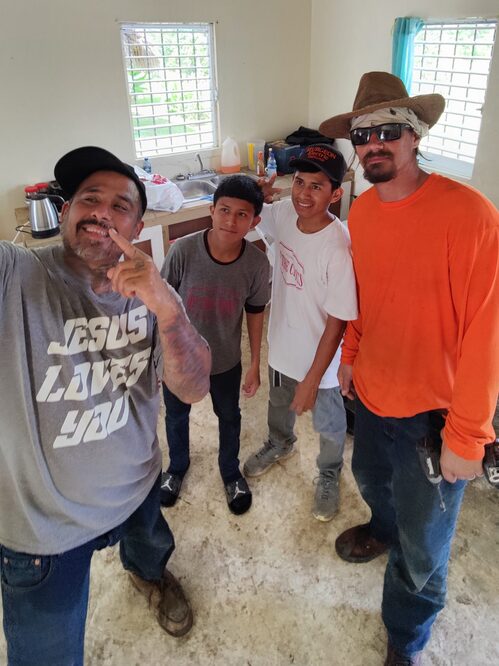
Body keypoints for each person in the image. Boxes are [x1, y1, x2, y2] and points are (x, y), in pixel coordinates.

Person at [0, 146, 211, 665]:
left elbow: (193, 388)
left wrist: (168, 309)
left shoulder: (155, 295)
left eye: (120, 206)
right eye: (89, 199)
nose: (101, 213)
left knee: (150, 552)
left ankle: (150, 575)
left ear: (138, 226)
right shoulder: (15, 274)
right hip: (44, 529)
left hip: (138, 487)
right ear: (65, 213)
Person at [318, 71, 499, 665]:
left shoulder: (470, 216)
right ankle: (381, 527)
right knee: (374, 482)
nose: (373, 144)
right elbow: (364, 298)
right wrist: (350, 357)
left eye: (388, 131)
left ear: (415, 136)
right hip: (373, 396)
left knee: (424, 545)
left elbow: (486, 335)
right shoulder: (364, 213)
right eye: (361, 134)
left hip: (433, 416)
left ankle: (405, 637)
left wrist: (467, 436)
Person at [243, 144, 358, 521]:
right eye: (299, 182)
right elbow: (255, 216)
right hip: (282, 343)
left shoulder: (338, 247)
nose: (303, 194)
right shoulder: (283, 213)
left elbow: (338, 321)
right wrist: (258, 196)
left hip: (320, 359)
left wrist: (312, 379)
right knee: (278, 402)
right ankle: (280, 442)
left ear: (335, 194)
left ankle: (329, 473)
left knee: (329, 421)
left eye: (316, 186)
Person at [160, 175, 270, 515]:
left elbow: (255, 312)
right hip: (180, 359)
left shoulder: (256, 264)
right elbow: (161, 305)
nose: (231, 221)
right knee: (176, 415)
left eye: (242, 214)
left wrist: (254, 363)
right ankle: (176, 467)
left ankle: (230, 472)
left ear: (255, 221)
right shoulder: (182, 251)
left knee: (229, 416)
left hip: (225, 361)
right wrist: (158, 357)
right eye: (224, 210)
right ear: (211, 211)